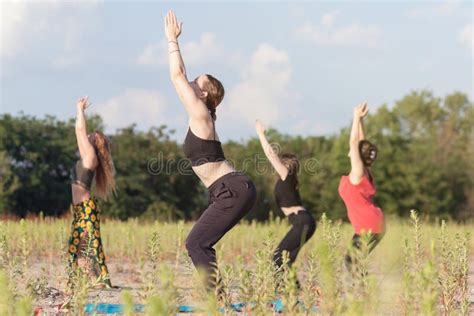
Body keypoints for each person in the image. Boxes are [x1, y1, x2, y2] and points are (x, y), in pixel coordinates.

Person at [165, 10, 257, 292]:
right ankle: (218, 299)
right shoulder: (202, 116)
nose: (191, 83)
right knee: (199, 243)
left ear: (204, 95)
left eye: (198, 82)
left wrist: (172, 41)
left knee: (196, 243)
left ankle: (216, 301)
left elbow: (177, 75)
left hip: (231, 189)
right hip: (229, 189)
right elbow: (183, 78)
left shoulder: (202, 114)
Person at [255, 120, 316, 273]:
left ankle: (289, 294)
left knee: (278, 257)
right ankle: (292, 294)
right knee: (285, 259)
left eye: (282, 163)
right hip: (303, 221)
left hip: (302, 221)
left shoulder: (286, 175)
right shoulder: (289, 180)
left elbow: (270, 154)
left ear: (286, 166)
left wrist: (260, 134)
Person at [68, 96, 116, 288]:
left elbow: (80, 129)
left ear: (96, 144)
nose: (88, 136)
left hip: (86, 210)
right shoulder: (88, 157)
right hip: (82, 210)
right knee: (81, 248)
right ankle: (94, 281)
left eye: (92, 136)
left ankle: (97, 282)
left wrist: (80, 109)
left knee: (85, 248)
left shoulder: (90, 157)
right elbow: (79, 132)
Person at [338, 102, 385, 271]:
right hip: (371, 224)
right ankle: (364, 293)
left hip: (368, 225)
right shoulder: (364, 170)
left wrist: (355, 117)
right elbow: (362, 143)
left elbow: (354, 143)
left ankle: (363, 294)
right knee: (356, 264)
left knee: (351, 264)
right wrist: (361, 121)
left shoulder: (358, 174)